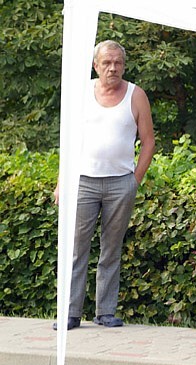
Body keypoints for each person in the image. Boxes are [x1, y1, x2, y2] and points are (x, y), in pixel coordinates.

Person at [52, 40, 155, 331]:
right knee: (76, 248)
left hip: (120, 183)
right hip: (83, 181)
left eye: (118, 63)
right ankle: (70, 313)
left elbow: (148, 141)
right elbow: (68, 140)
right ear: (96, 65)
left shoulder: (136, 95)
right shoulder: (81, 92)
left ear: (124, 65)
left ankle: (105, 311)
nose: (113, 68)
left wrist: (135, 180)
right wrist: (62, 182)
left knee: (111, 248)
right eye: (107, 63)